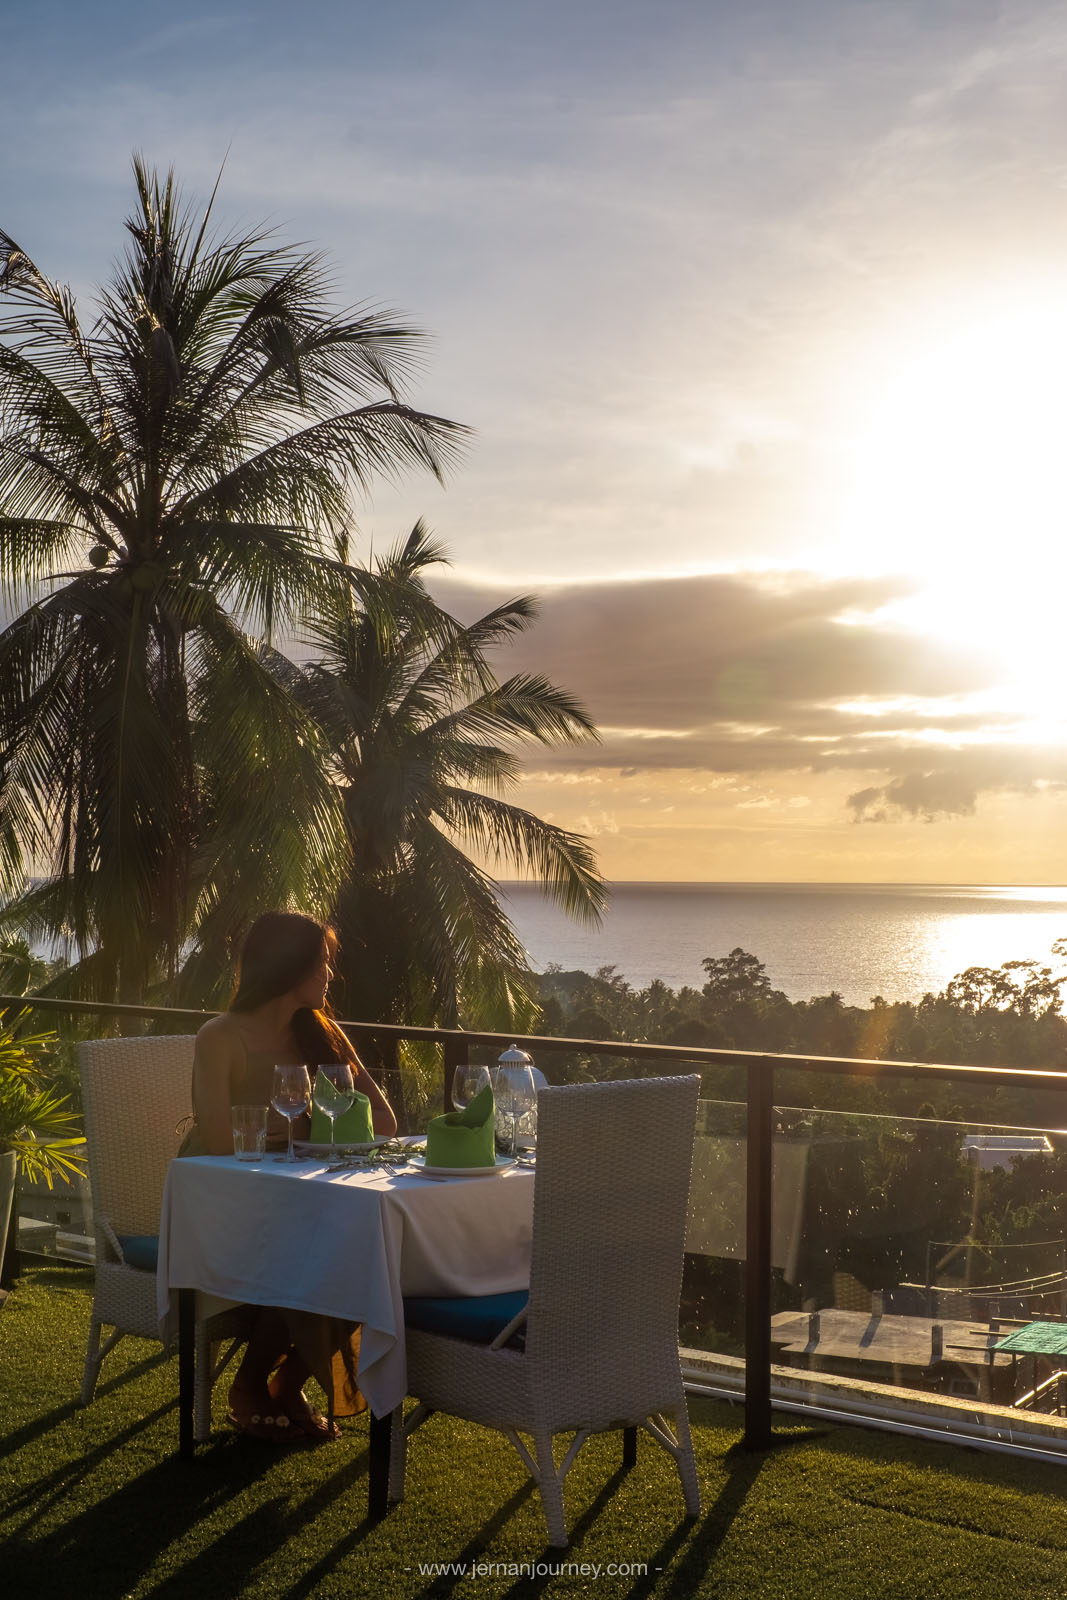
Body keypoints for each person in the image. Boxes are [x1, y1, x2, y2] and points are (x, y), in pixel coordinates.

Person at [185, 910, 397, 1443]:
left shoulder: (322, 1034)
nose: (331, 974)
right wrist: (297, 1130)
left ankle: (284, 1382)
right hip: (225, 1201)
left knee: (359, 1245)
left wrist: (302, 1131)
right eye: (322, 963)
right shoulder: (221, 1036)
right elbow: (217, 1139)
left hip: (300, 1196)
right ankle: (251, 1384)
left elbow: (385, 1120)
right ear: (289, 967)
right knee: (320, 1248)